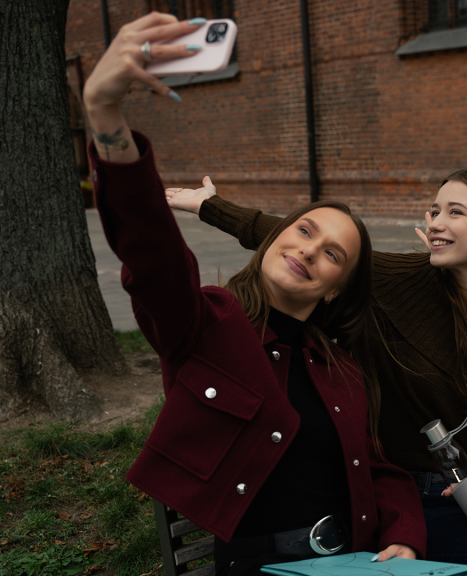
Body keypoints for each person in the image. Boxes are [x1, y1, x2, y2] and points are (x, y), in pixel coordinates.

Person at [83, 14, 426, 576]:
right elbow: (155, 260)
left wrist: (406, 541)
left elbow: (379, 468)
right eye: (305, 230)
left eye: (334, 254)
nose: (312, 250)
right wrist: (106, 117)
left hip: (360, 562)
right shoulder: (206, 326)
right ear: (275, 237)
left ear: (338, 287)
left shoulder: (341, 367)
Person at [170, 174, 467, 574]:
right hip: (406, 506)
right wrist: (206, 206)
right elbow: (291, 239)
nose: (435, 222)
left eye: (454, 212)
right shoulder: (398, 279)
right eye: (434, 210)